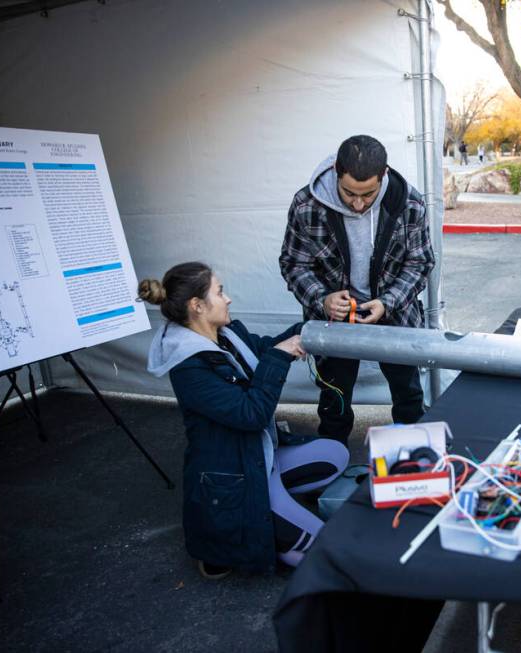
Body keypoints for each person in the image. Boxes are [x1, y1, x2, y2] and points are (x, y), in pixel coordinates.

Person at [139, 262, 349, 578]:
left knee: (336, 454)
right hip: (235, 475)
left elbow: (265, 348)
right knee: (328, 556)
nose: (228, 299)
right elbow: (251, 414)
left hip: (258, 455)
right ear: (197, 306)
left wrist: (308, 328)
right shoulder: (189, 368)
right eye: (220, 292)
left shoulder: (225, 334)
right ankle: (230, 537)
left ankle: (268, 504)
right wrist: (281, 356)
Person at [280, 135, 435, 444]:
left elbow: (420, 263)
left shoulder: (409, 203)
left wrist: (388, 302)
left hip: (395, 313)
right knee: (334, 402)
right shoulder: (306, 204)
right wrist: (321, 299)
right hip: (333, 319)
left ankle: (418, 465)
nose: (359, 203)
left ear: (384, 175)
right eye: (349, 193)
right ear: (337, 170)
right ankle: (330, 462)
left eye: (369, 194)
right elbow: (293, 263)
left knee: (408, 396)